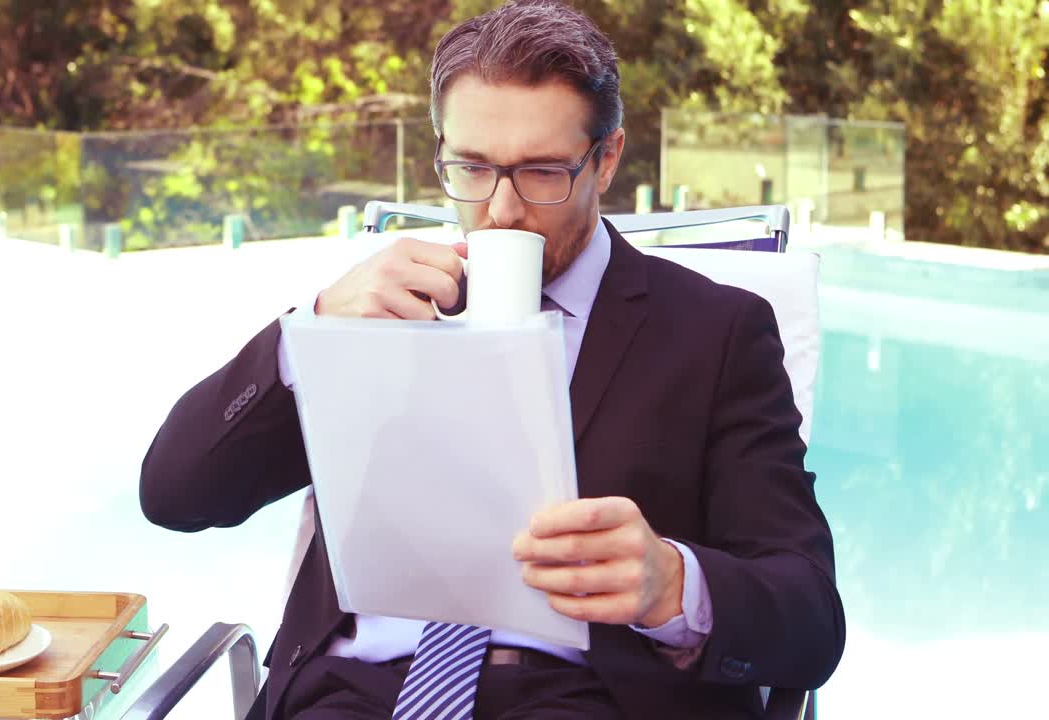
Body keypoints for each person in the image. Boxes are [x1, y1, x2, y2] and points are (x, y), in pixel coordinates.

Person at [139, 1, 845, 717]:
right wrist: (307, 333)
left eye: (542, 171)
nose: (502, 210)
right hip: (343, 694)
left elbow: (811, 615)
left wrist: (673, 584)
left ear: (606, 159)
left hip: (588, 698)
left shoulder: (716, 333)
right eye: (472, 167)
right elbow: (175, 495)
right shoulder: (374, 313)